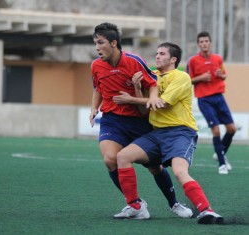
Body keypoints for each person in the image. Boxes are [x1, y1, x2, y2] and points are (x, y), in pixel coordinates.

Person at [112, 42, 224, 224]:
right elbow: (144, 112)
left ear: (173, 59)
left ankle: (207, 211)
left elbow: (162, 103)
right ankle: (136, 207)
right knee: (122, 156)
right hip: (156, 133)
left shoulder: (181, 77)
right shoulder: (152, 76)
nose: (157, 56)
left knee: (180, 172)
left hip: (180, 132)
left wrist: (130, 98)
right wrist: (139, 89)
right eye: (156, 53)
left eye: (162, 53)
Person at [90, 22, 192, 219]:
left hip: (138, 122)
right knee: (110, 159)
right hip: (112, 120)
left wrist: (152, 98)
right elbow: (97, 88)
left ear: (113, 43)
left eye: (100, 43)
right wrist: (94, 107)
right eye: (95, 43)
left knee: (155, 166)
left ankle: (174, 203)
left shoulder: (134, 61)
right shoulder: (96, 65)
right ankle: (136, 205)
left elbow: (152, 83)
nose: (96, 47)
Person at [186, 31, 236, 175]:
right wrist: (201, 77)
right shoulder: (193, 61)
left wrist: (222, 75)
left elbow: (224, 74)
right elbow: (188, 80)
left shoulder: (218, 58)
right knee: (216, 130)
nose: (204, 44)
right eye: (201, 42)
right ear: (198, 44)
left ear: (210, 43)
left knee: (232, 129)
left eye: (206, 41)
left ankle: (220, 153)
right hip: (204, 100)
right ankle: (222, 164)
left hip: (219, 98)